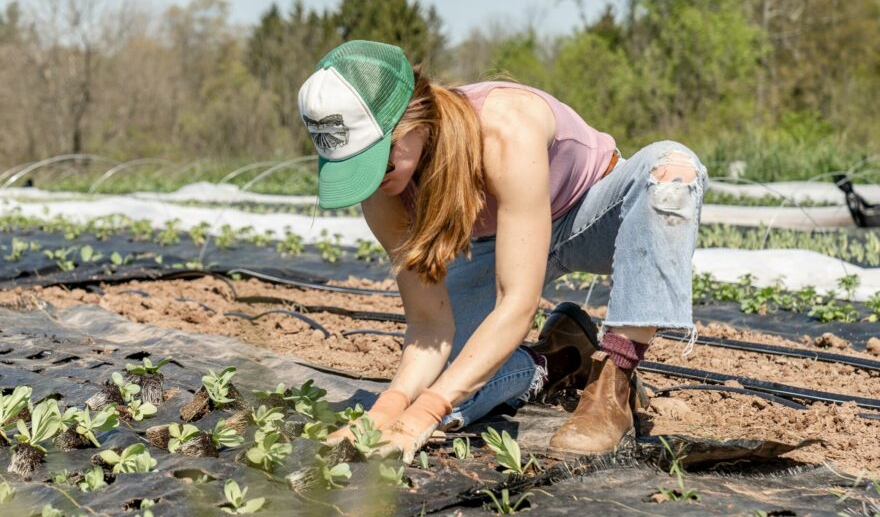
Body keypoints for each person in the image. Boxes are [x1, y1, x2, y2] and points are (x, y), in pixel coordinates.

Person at [298, 40, 707, 463]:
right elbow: (429, 326)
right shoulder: (383, 191)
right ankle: (556, 359)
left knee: (672, 171)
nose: (373, 180)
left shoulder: (502, 127)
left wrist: (425, 413)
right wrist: (389, 409)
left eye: (377, 161)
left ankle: (614, 382)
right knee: (448, 384)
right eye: (353, 168)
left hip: (592, 216)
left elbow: (517, 303)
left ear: (413, 118)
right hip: (501, 243)